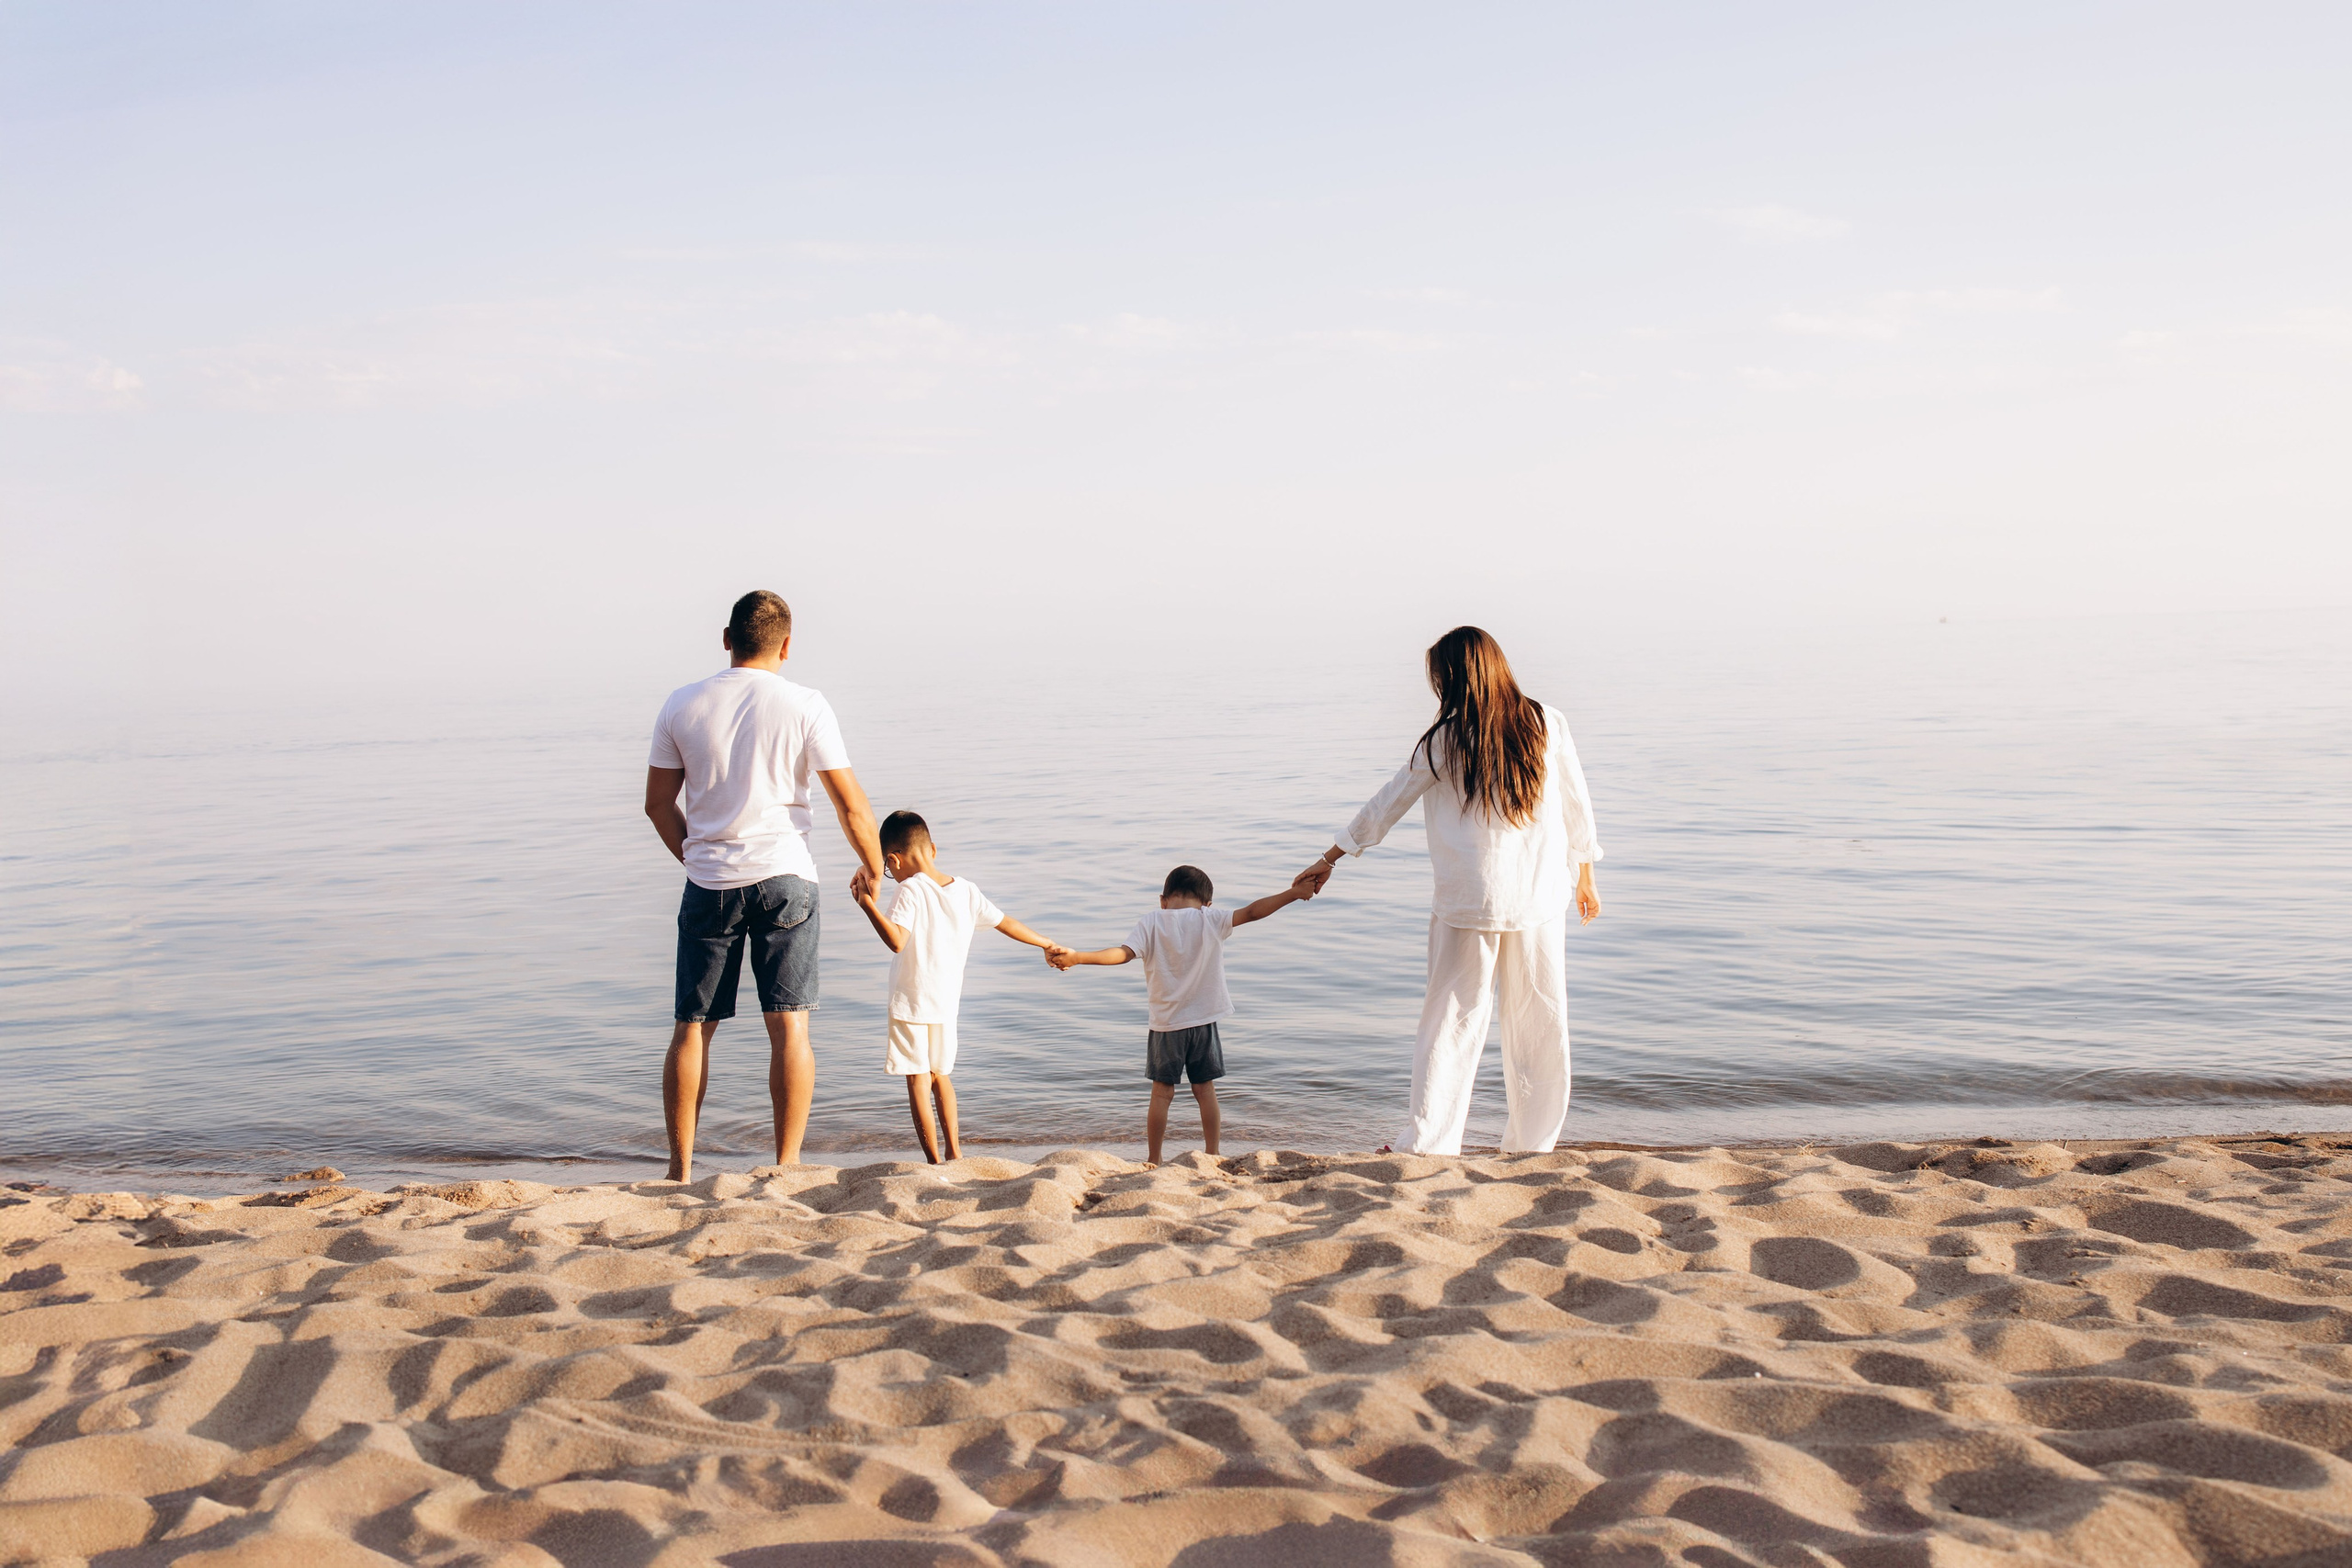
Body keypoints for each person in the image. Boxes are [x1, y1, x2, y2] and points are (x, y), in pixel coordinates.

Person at [1293, 626, 1602, 1156]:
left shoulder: (1446, 738)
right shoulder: (1547, 722)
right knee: (1541, 1021)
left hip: (1470, 899)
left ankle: (1429, 1143)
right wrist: (1586, 875)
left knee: (1451, 1023)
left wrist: (1330, 859)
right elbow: (1577, 800)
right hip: (1538, 895)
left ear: (1457, 678)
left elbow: (1388, 802)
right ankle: (1533, 1144)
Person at [643, 590, 885, 1180]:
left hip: (710, 881)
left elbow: (656, 805)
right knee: (790, 1024)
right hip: (786, 877)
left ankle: (679, 1171)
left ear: (726, 639)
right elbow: (850, 805)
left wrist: (698, 860)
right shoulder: (806, 704)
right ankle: (787, 1163)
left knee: (693, 1027)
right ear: (786, 645)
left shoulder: (682, 704)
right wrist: (875, 867)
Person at [1049, 864, 1314, 1164]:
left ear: (1163, 900)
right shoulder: (1210, 918)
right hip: (1203, 1022)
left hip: (1166, 1025)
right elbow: (1253, 912)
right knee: (1205, 1090)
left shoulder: (1151, 922)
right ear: (1207, 903)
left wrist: (1078, 957)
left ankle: (1153, 1158)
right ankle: (1213, 1154)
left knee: (1162, 1094)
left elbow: (1122, 954)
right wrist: (1294, 893)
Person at [851, 809, 1067, 1163]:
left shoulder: (909, 889)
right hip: (946, 1003)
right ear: (932, 849)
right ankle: (955, 1151)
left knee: (918, 1080)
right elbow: (1005, 922)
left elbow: (896, 941)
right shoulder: (966, 890)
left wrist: (868, 905)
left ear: (893, 860)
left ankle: (933, 1160)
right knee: (941, 1077)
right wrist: (1045, 943)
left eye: (888, 870)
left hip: (911, 1002)